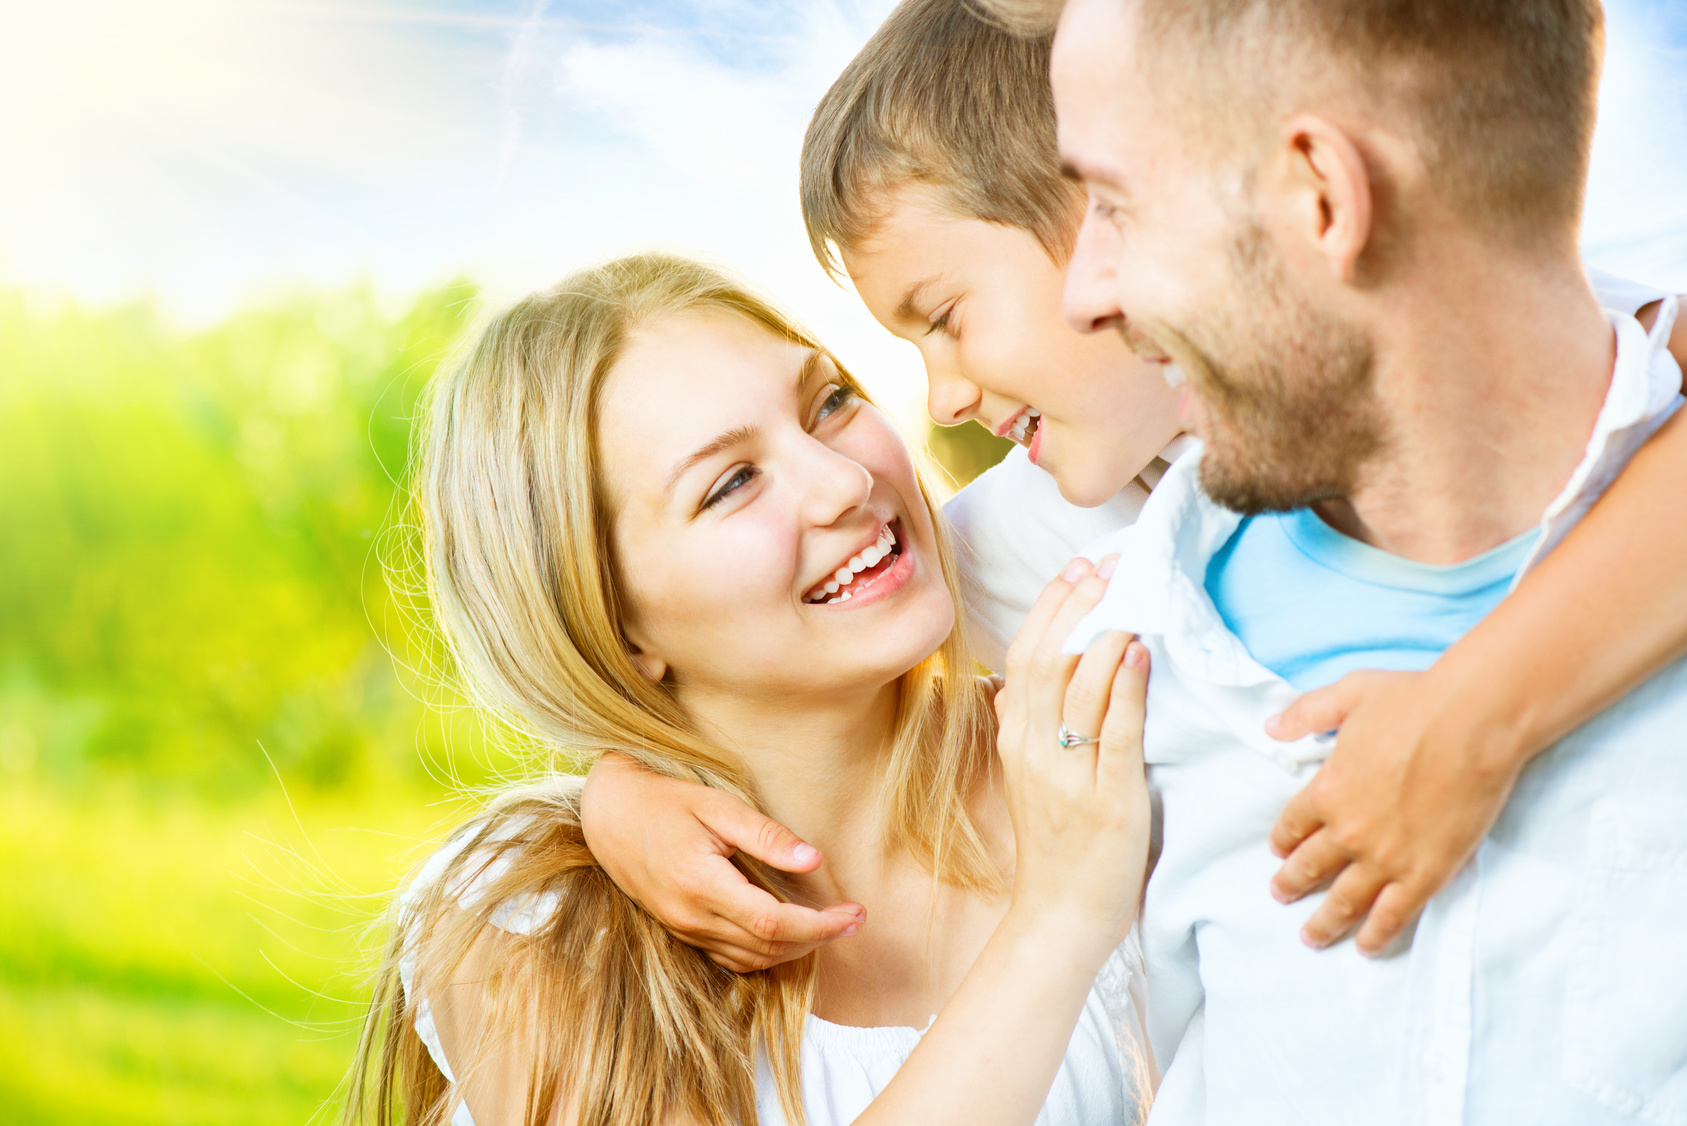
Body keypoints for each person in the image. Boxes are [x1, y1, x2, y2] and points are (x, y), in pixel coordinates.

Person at [578, 0, 1687, 980]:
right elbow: (798, 643)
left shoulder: (1488, 372)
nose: (946, 397)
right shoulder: (1042, 531)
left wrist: (1472, 715)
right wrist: (617, 793)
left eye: (945, 316)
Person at [987, 0, 1686, 1120]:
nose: (1084, 295)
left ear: (1321, 198)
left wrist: (1484, 710)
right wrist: (619, 798)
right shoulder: (1119, 650)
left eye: (1115, 204)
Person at [342, 253, 1160, 1126]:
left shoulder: (1096, 741)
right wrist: (1058, 920)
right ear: (610, 622)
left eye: (830, 403)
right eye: (731, 483)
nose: (846, 482)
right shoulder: (532, 932)